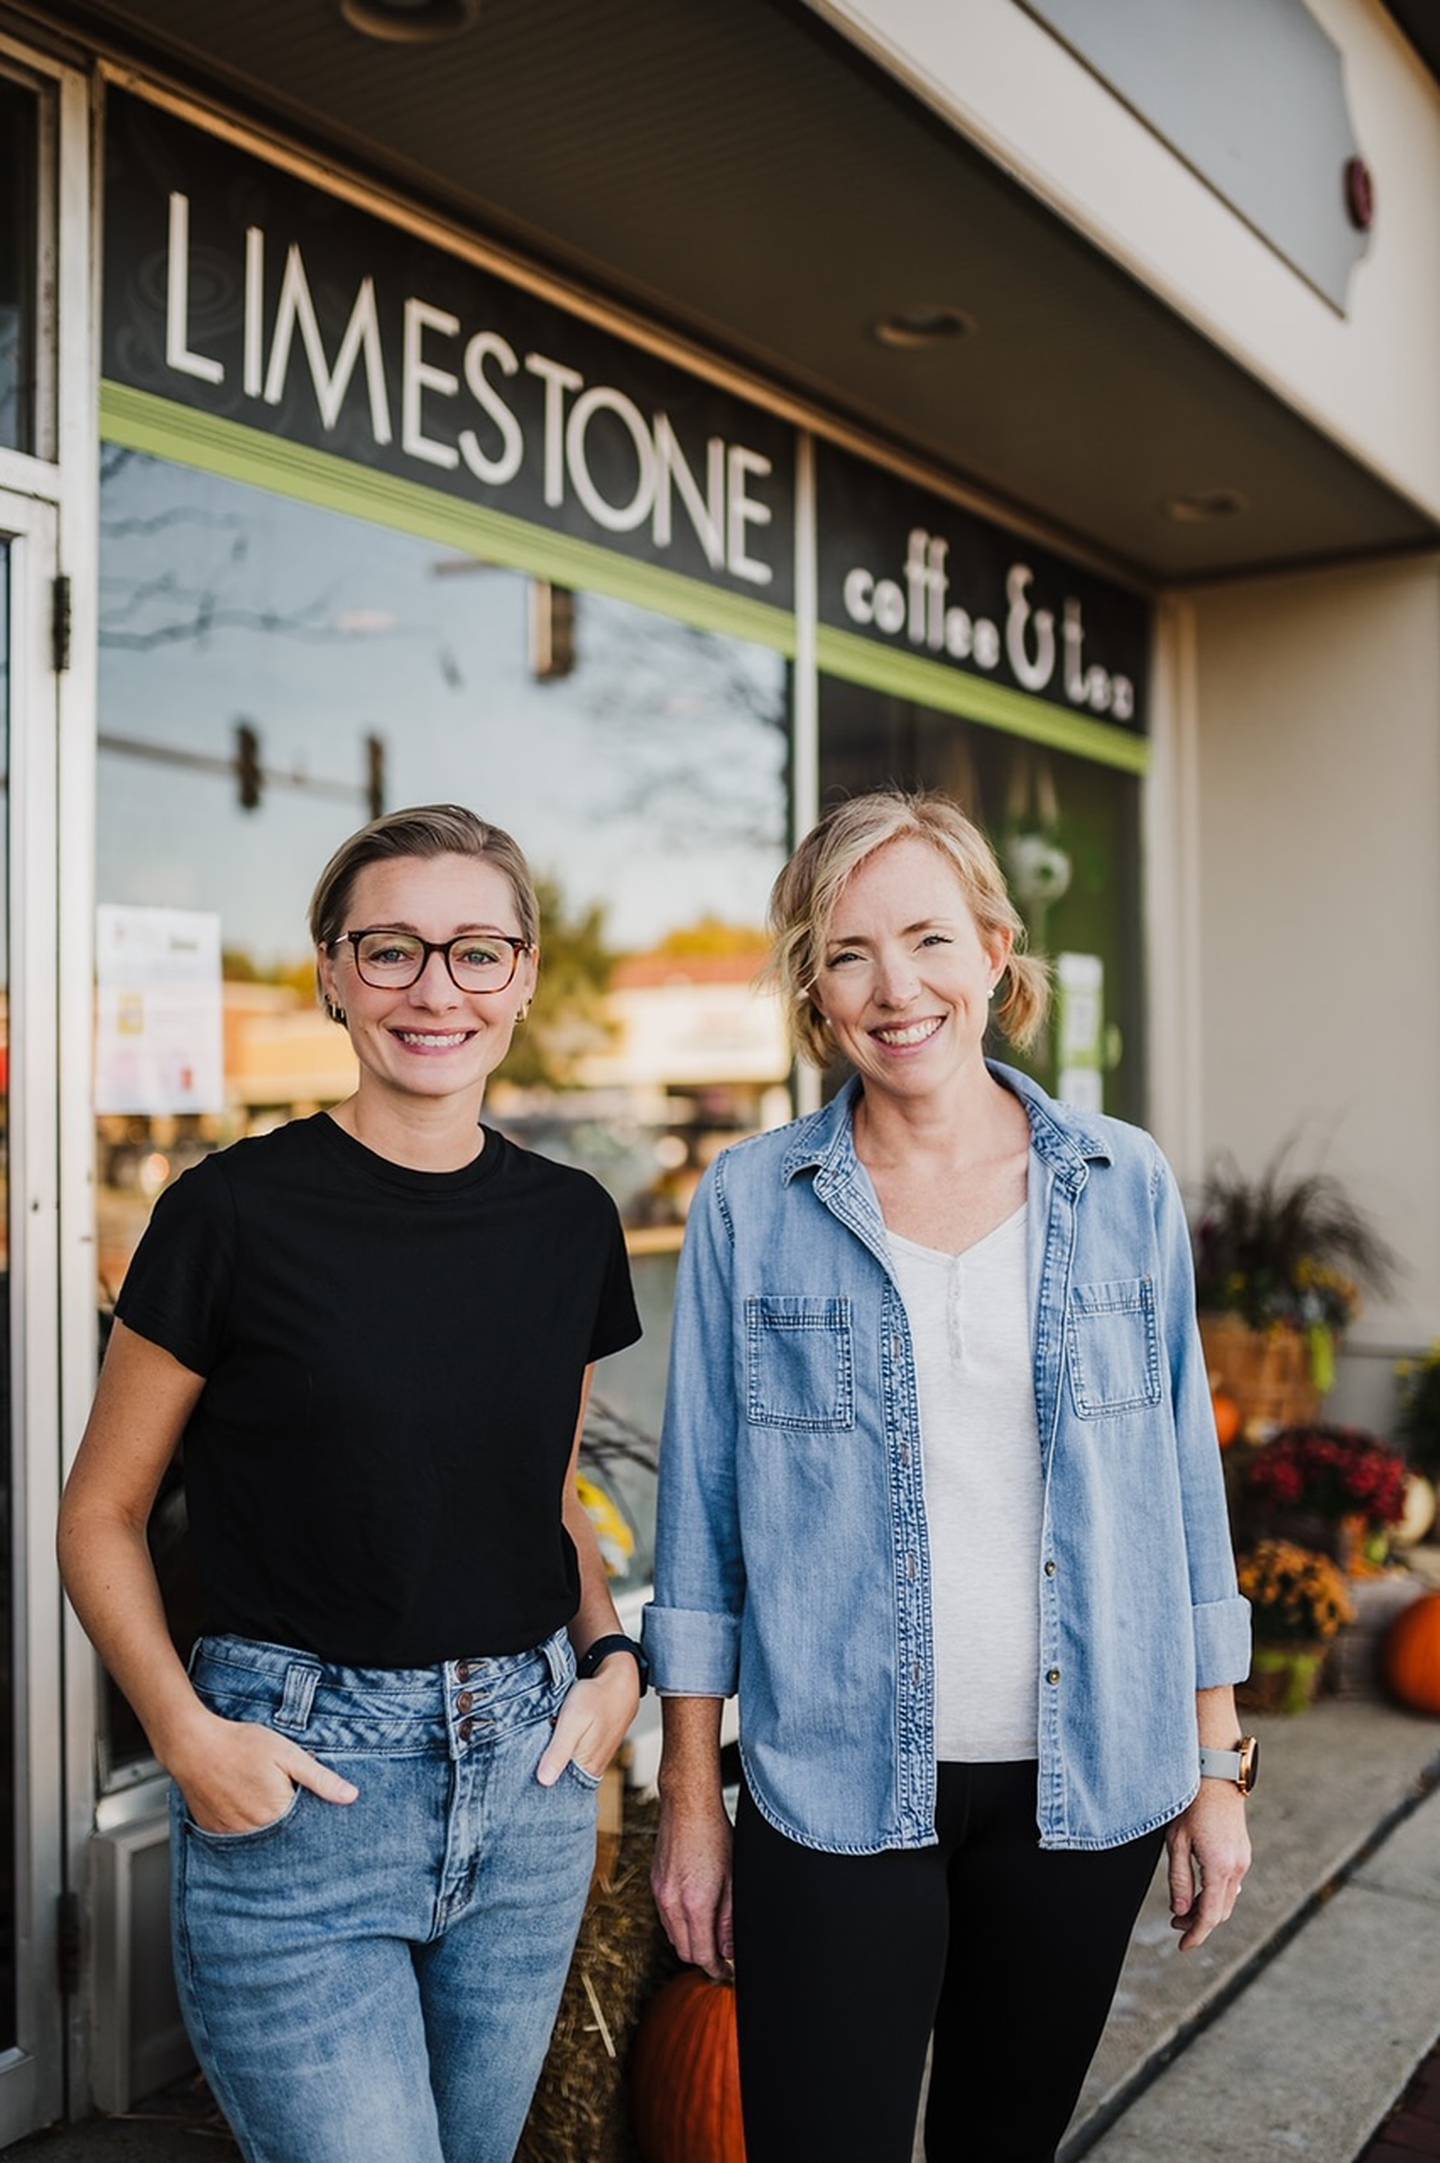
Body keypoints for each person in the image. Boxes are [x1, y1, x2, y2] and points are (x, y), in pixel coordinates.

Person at [645, 789, 1254, 2163]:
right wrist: (693, 1804)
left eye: (927, 938)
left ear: (993, 949)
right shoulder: (754, 1201)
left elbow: (1180, 1497)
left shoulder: (1122, 1183)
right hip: (834, 1789)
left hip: (1083, 1788)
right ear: (814, 988)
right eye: (848, 952)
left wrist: (1216, 1768)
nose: (895, 986)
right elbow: (701, 1534)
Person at [59, 805, 648, 2163]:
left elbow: (546, 1502)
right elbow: (98, 1514)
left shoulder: (569, 1223)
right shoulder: (229, 1213)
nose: (434, 989)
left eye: (475, 952)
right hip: (301, 1790)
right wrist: (186, 1737)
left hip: (527, 1786)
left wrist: (611, 1661)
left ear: (524, 976)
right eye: (391, 950)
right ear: (329, 972)